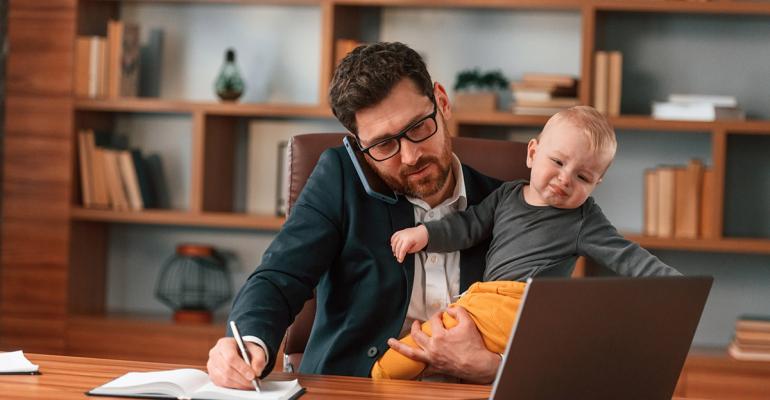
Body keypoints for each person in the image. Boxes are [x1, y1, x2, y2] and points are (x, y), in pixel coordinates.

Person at [206, 42, 515, 388]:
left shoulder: (510, 204)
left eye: (417, 128)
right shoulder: (340, 179)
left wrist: (496, 367)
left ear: (441, 102)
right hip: (356, 389)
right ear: (359, 147)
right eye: (384, 145)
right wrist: (248, 342)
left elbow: (547, 326)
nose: (410, 156)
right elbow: (280, 276)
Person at [377, 105, 682, 380]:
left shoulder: (583, 218)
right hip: (483, 303)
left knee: (408, 355)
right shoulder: (507, 195)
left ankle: (380, 377)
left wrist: (677, 287)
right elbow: (467, 226)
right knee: (435, 353)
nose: (565, 179)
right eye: (558, 162)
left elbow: (626, 255)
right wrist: (426, 234)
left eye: (583, 177)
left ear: (595, 185)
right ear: (533, 153)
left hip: (526, 308)